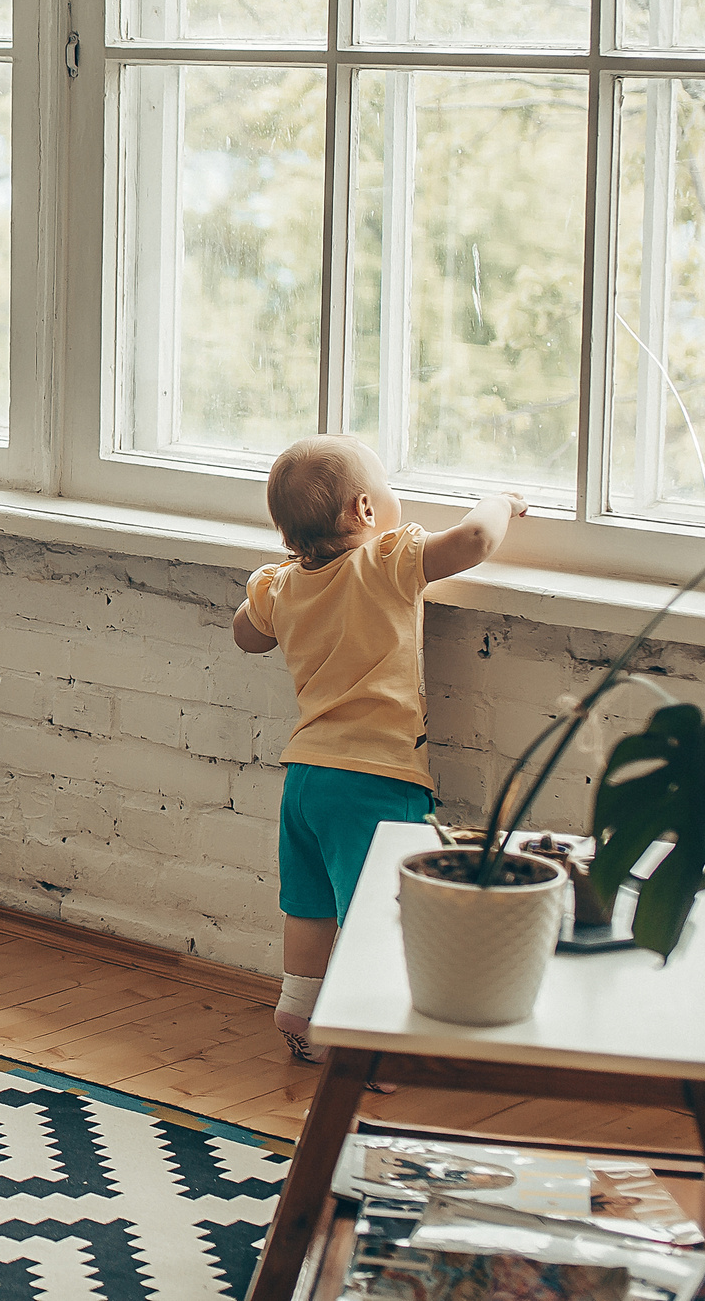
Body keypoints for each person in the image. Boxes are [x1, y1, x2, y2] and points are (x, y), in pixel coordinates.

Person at [231, 434, 525, 1064]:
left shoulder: (281, 586)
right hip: (377, 778)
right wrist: (500, 501)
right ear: (365, 509)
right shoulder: (387, 560)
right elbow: (474, 540)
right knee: (381, 914)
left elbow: (246, 637)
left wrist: (273, 586)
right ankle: (372, 1047)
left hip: (306, 776)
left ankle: (298, 1006)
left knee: (309, 904)